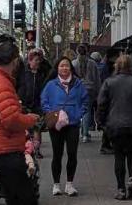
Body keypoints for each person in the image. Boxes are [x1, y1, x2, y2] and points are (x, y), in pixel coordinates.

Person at [0, 42, 40, 205]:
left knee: (15, 197)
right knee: (26, 198)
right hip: (5, 149)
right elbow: (11, 119)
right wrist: (30, 120)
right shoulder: (1, 83)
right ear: (14, 61)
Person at [98, 55, 132, 200]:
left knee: (119, 156)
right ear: (130, 66)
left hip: (115, 125)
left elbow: (101, 105)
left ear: (117, 66)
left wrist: (101, 123)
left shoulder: (109, 82)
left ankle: (121, 188)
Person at [40, 57, 88, 196]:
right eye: (61, 66)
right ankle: (56, 184)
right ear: (57, 68)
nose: (64, 68)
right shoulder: (51, 85)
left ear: (71, 68)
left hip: (73, 123)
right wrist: (52, 113)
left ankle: (69, 184)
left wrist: (79, 113)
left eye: (67, 66)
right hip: (56, 124)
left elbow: (85, 101)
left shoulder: (79, 84)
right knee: (57, 154)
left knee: (72, 154)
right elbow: (44, 101)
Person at [72, 45, 101, 144]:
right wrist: (98, 91)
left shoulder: (74, 63)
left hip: (77, 89)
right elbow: (97, 78)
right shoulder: (92, 63)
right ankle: (85, 133)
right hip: (90, 89)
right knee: (87, 111)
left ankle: (82, 131)